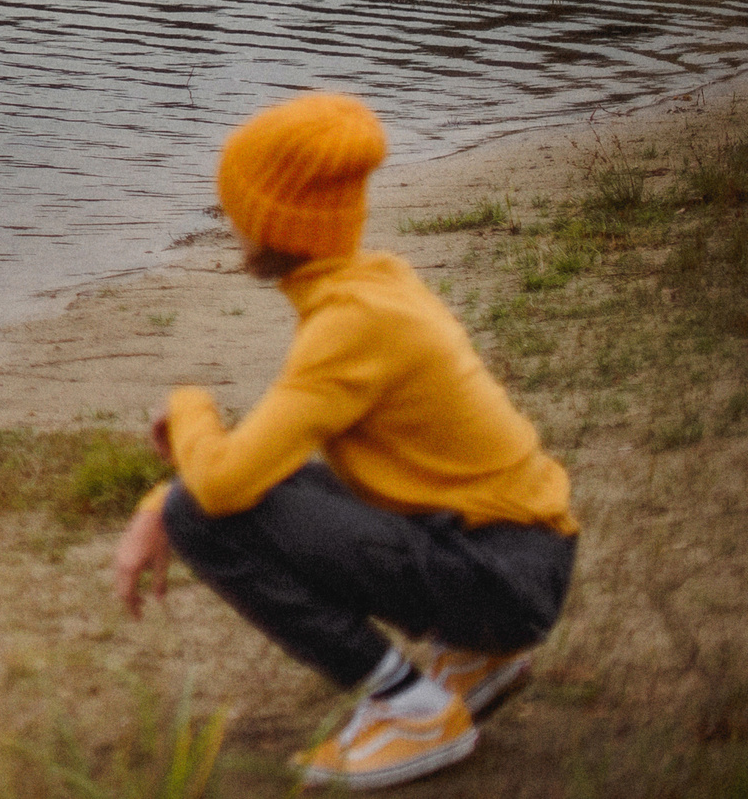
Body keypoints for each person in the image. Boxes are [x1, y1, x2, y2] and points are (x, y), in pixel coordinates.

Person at [111, 93, 577, 790]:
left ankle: (407, 705)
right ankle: (482, 656)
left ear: (270, 219)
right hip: (513, 551)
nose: (230, 221)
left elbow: (224, 486)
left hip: (501, 576)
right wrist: (166, 489)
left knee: (198, 516)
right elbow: (269, 460)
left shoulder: (348, 324)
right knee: (205, 496)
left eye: (237, 205)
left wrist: (187, 405)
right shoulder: (372, 285)